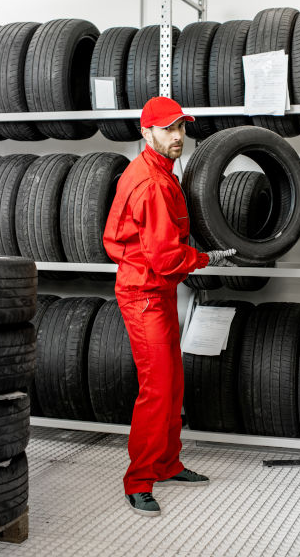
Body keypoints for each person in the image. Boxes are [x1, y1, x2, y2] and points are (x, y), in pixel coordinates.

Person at [103, 96, 235, 517]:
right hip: (144, 293)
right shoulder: (153, 183)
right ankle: (139, 480)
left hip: (156, 289)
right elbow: (166, 258)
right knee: (157, 389)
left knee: (172, 382)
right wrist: (206, 258)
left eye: (181, 127)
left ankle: (167, 463)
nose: (178, 137)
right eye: (167, 129)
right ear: (147, 132)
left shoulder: (162, 171)